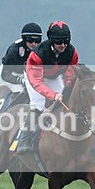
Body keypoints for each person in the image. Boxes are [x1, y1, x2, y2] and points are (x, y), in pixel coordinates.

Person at [16, 21, 79, 155]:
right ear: (51, 41)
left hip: (54, 77)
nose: (63, 45)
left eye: (65, 41)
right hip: (34, 77)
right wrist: (52, 95)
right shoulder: (38, 54)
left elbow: (71, 74)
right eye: (58, 42)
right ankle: (24, 140)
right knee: (39, 105)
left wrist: (67, 90)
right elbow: (37, 82)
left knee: (64, 102)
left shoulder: (72, 52)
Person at [0, 22, 42, 94]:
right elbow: (5, 74)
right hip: (11, 73)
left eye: (37, 41)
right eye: (30, 40)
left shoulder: (42, 49)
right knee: (20, 91)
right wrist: (21, 80)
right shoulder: (14, 50)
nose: (34, 44)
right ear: (24, 39)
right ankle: (12, 104)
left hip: (28, 73)